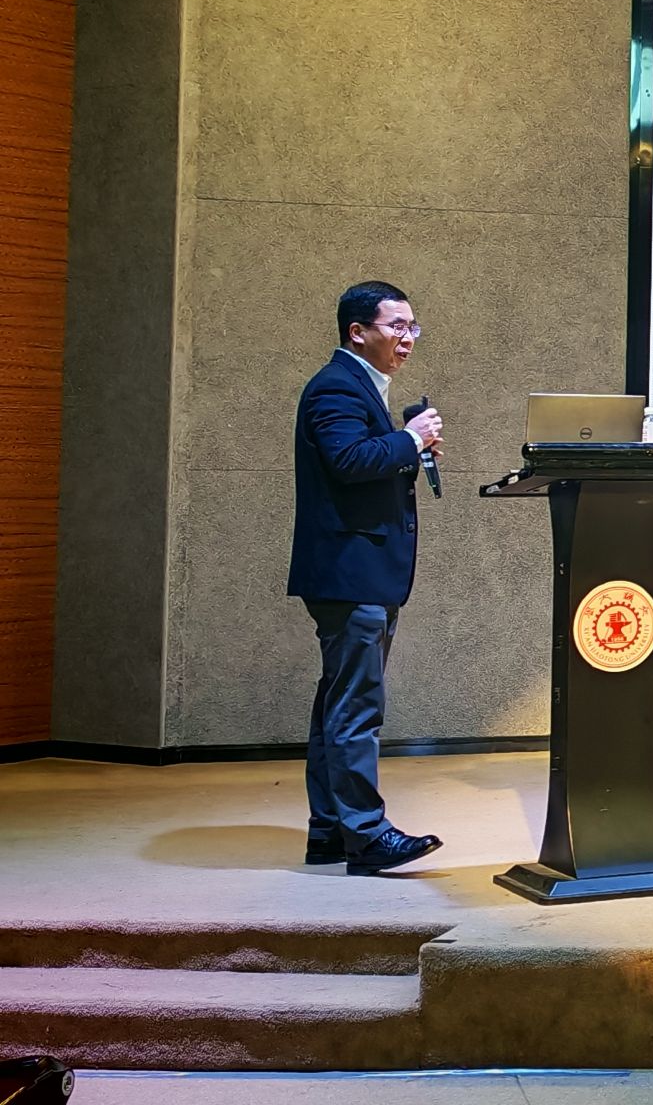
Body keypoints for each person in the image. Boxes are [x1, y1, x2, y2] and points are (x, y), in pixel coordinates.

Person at [289, 280, 446, 874]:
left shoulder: (358, 386)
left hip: (358, 573)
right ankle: (367, 835)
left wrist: (405, 448)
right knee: (356, 707)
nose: (408, 338)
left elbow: (365, 460)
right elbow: (349, 461)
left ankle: (331, 831)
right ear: (357, 332)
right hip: (350, 573)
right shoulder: (335, 386)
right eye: (396, 326)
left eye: (413, 327)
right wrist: (409, 439)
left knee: (339, 703)